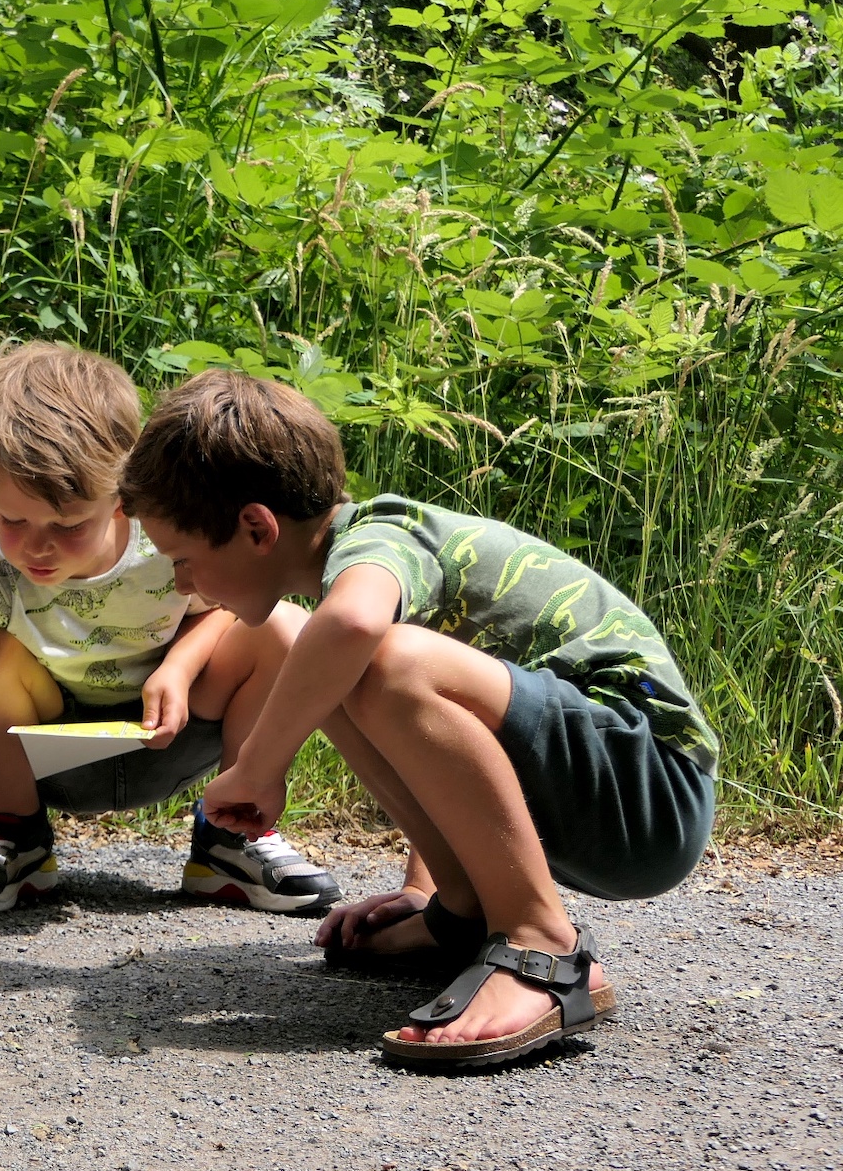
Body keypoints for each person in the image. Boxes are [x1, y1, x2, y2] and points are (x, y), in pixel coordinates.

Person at [118, 369, 717, 1068]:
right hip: (601, 787)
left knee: (373, 655)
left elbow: (359, 628)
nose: (182, 584)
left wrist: (258, 767)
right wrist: (430, 895)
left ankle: (541, 946)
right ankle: (467, 913)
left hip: (652, 789)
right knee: (334, 665)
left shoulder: (380, 540)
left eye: (183, 560)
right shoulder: (363, 561)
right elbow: (441, 734)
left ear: (256, 527)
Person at [0, 343, 340, 914]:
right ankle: (16, 840)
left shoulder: (165, 544)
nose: (36, 546)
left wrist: (179, 666)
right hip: (50, 760)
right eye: (12, 519)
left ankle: (232, 836)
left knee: (280, 627)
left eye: (67, 526)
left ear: (122, 497)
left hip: (175, 734)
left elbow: (230, 610)